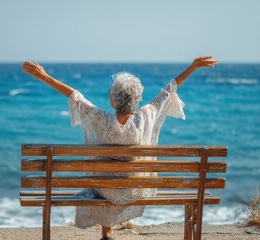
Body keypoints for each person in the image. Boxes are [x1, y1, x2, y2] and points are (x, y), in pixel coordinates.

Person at [22, 56, 218, 240]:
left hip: (104, 189)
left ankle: (106, 233)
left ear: (113, 99)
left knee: (102, 179)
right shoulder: (145, 116)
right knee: (120, 177)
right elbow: (167, 92)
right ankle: (107, 232)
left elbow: (75, 96)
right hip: (133, 190)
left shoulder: (100, 119)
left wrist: (44, 76)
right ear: (137, 99)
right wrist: (193, 67)